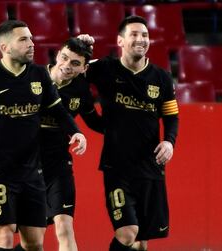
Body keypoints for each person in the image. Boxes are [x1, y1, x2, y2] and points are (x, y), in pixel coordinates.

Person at [0, 20, 87, 251]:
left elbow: (58, 111)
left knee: (33, 242)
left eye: (31, 38)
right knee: (3, 235)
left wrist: (77, 132)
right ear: (5, 47)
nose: (31, 44)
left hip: (33, 172)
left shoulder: (39, 76)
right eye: (23, 39)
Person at [80, 15, 179, 251]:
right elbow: (70, 71)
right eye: (134, 34)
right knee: (127, 233)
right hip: (117, 167)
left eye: (144, 35)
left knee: (140, 242)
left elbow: (171, 116)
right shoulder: (104, 68)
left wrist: (169, 142)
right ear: (120, 41)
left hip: (150, 166)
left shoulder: (161, 77)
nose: (141, 39)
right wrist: (81, 47)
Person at [15, 38, 103, 251]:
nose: (67, 66)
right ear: (57, 55)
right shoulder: (32, 77)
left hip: (58, 166)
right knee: (33, 241)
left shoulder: (81, 90)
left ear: (84, 68)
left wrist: (128, 121)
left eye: (75, 63)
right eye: (65, 58)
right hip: (25, 168)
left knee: (64, 227)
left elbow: (96, 123)